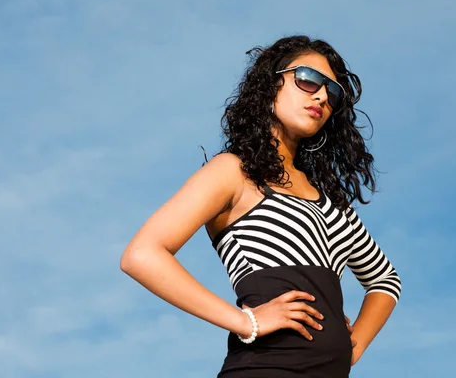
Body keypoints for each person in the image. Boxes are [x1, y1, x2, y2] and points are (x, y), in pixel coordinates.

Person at [120, 35, 401, 377]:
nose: (323, 95)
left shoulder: (332, 202)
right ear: (271, 85)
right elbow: (142, 255)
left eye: (333, 91)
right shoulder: (234, 172)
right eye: (308, 79)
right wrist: (244, 321)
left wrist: (352, 344)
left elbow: (384, 279)